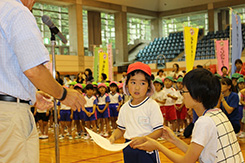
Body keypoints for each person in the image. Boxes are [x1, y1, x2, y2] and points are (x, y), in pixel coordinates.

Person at [0, 0, 85, 162]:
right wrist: (63, 93)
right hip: (9, 117)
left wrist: (30, 94)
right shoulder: (17, 11)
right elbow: (33, 70)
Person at [132, 68, 244, 163]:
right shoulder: (218, 114)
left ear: (197, 96)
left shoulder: (204, 122)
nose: (183, 95)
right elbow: (194, 154)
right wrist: (173, 140)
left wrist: (158, 146)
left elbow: (187, 161)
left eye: (184, 92)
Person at [109, 62, 163, 163]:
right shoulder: (124, 108)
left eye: (142, 83)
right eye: (133, 82)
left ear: (149, 86)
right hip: (128, 148)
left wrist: (143, 139)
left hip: (147, 148)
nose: (137, 87)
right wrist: (113, 137)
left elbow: (159, 131)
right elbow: (120, 129)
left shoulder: (152, 105)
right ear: (127, 84)